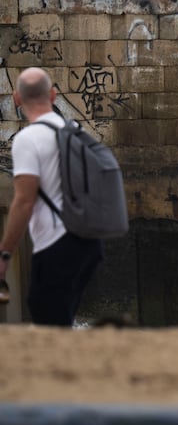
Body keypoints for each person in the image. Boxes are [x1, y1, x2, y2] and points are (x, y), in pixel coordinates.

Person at [0, 67, 103, 326]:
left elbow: (24, 201)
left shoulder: (28, 139)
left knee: (46, 315)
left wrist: (4, 254)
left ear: (16, 99)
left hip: (56, 244)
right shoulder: (76, 132)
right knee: (62, 315)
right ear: (54, 95)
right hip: (88, 242)